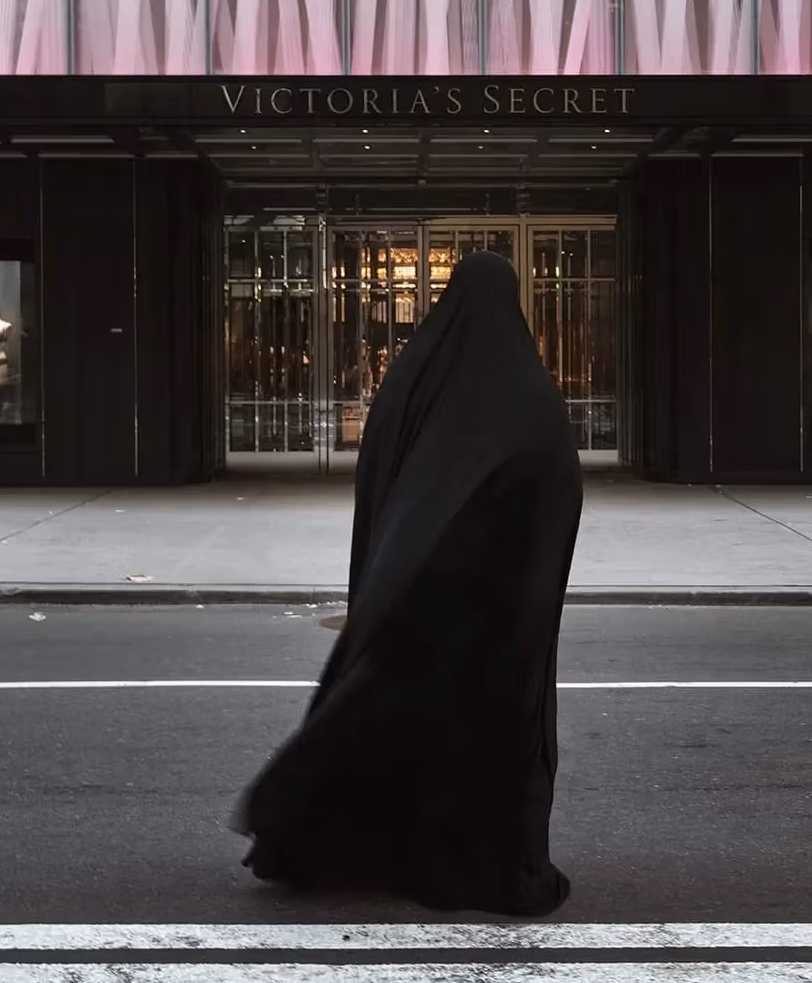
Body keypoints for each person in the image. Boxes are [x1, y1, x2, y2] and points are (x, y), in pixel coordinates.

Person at [232, 250, 583, 917]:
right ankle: (472, 854)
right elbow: (554, 494)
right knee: (486, 734)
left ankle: (364, 839)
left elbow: (382, 475)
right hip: (498, 613)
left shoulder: (414, 378)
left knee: (390, 712)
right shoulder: (528, 394)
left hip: (418, 598)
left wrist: (391, 574)